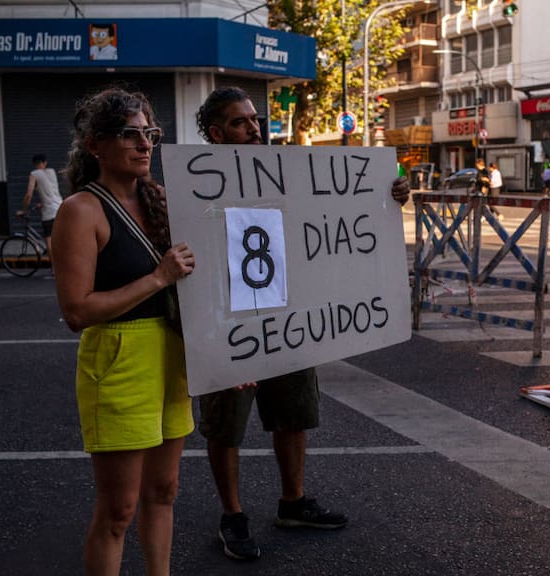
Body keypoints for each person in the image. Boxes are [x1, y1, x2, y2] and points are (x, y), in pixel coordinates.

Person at [194, 86, 410, 561]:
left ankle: (293, 502)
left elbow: (337, 214)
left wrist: (389, 192)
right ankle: (232, 515)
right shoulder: (198, 184)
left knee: (294, 411)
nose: (253, 128)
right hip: (228, 318)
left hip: (285, 311)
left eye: (254, 119)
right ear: (216, 133)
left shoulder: (288, 173)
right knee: (225, 424)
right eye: (239, 122)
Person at [52, 87, 195, 575]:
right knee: (119, 510)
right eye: (129, 134)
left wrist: (229, 357)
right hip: (119, 357)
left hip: (172, 354)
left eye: (149, 133)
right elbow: (77, 310)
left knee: (164, 491)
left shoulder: (163, 200)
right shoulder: (81, 210)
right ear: (95, 145)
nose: (144, 143)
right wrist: (158, 278)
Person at [18, 153, 63, 263]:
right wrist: (41, 204)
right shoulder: (52, 172)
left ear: (34, 164)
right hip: (61, 208)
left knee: (49, 240)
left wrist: (23, 210)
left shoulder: (34, 174)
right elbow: (51, 192)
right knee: (60, 239)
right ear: (45, 162)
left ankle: (54, 268)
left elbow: (28, 195)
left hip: (49, 213)